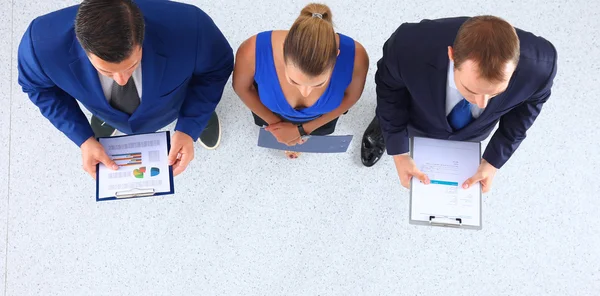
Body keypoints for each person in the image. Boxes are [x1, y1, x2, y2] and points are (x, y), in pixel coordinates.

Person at [17, 0, 233, 178]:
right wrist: (83, 137)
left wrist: (190, 126)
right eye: (107, 71)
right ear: (82, 45)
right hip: (103, 108)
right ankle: (110, 116)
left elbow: (215, 71)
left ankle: (202, 117)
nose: (121, 80)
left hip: (176, 103)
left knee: (200, 103)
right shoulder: (39, 45)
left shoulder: (192, 28)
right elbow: (39, 89)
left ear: (142, 36)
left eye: (131, 65)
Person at [360, 16, 557, 193]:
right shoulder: (407, 47)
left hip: (474, 131)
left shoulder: (541, 68)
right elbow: (389, 89)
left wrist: (493, 161)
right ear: (452, 55)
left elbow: (528, 108)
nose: (481, 103)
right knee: (392, 111)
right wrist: (399, 152)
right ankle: (384, 128)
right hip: (417, 111)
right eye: (471, 90)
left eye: (495, 93)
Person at [232, 3, 369, 159]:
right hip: (270, 113)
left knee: (306, 136)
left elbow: (351, 97)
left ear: (337, 56)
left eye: (319, 84)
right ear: (284, 50)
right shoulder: (252, 50)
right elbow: (241, 88)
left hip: (321, 119)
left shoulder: (357, 57)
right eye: (294, 81)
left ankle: (296, 140)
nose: (305, 92)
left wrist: (302, 131)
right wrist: (277, 126)